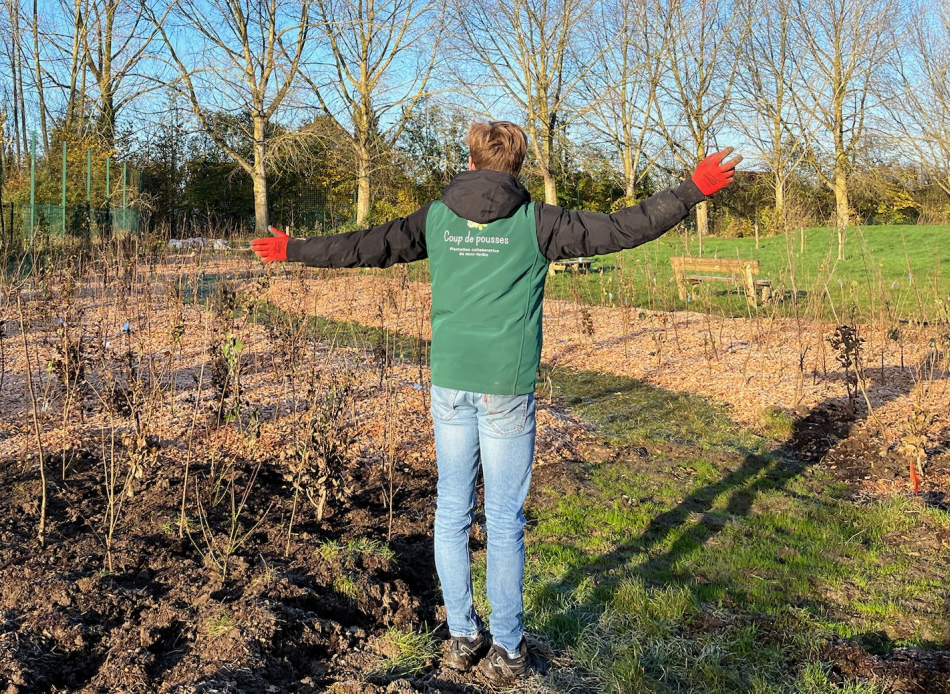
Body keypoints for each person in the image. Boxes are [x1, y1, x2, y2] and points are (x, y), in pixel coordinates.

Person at [250, 121, 741, 685]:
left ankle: (462, 636)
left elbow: (367, 245)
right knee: (504, 521)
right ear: (519, 162)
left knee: (451, 511)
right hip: (506, 387)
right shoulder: (540, 222)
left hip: (450, 383)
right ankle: (508, 649)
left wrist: (294, 249)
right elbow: (622, 229)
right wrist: (691, 190)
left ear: (472, 157)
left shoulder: (435, 217)